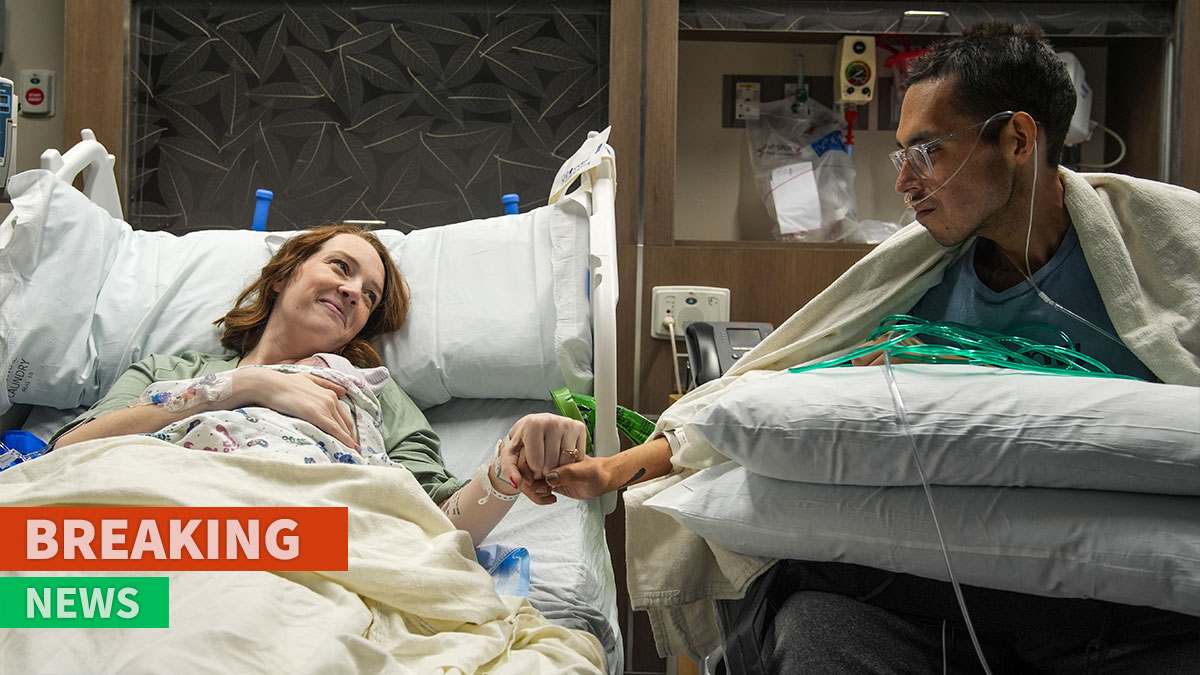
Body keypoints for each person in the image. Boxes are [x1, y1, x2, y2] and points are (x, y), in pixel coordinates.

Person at [533, 19, 1200, 671]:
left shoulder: (1153, 260)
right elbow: (776, 389)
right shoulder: (917, 287)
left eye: (927, 151)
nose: (905, 182)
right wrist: (614, 470)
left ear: (1018, 139)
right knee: (812, 622)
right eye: (901, 153)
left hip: (1131, 617)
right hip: (943, 611)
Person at [52, 223, 587, 546]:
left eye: (371, 295)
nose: (354, 291)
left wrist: (505, 467)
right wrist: (245, 386)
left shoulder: (372, 393)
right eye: (340, 266)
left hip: (304, 545)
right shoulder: (170, 373)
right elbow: (68, 450)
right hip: (152, 530)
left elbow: (439, 523)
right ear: (285, 275)